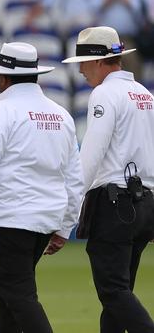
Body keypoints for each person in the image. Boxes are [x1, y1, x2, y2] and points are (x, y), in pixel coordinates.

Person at [0, 42, 84, 333]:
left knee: (19, 297)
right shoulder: (62, 115)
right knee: (9, 297)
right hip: (46, 220)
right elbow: (74, 178)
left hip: (8, 219)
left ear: (3, 78)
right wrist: (64, 226)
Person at [62, 26, 154, 332]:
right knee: (118, 294)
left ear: (99, 61)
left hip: (115, 204)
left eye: (84, 64)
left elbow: (90, 156)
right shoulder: (145, 94)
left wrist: (68, 212)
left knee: (113, 292)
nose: (82, 72)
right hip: (145, 203)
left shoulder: (104, 94)